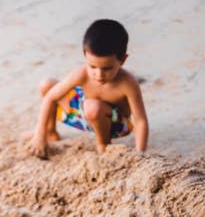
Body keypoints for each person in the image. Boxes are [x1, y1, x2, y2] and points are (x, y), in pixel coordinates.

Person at [28, 19, 149, 158]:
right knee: (47, 85)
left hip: (114, 125)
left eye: (107, 68)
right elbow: (50, 97)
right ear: (85, 54)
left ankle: (103, 144)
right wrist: (39, 133)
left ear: (122, 60)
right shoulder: (82, 74)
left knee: (93, 107)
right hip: (82, 115)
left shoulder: (127, 83)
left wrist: (140, 153)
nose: (98, 74)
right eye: (92, 66)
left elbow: (140, 121)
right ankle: (50, 133)